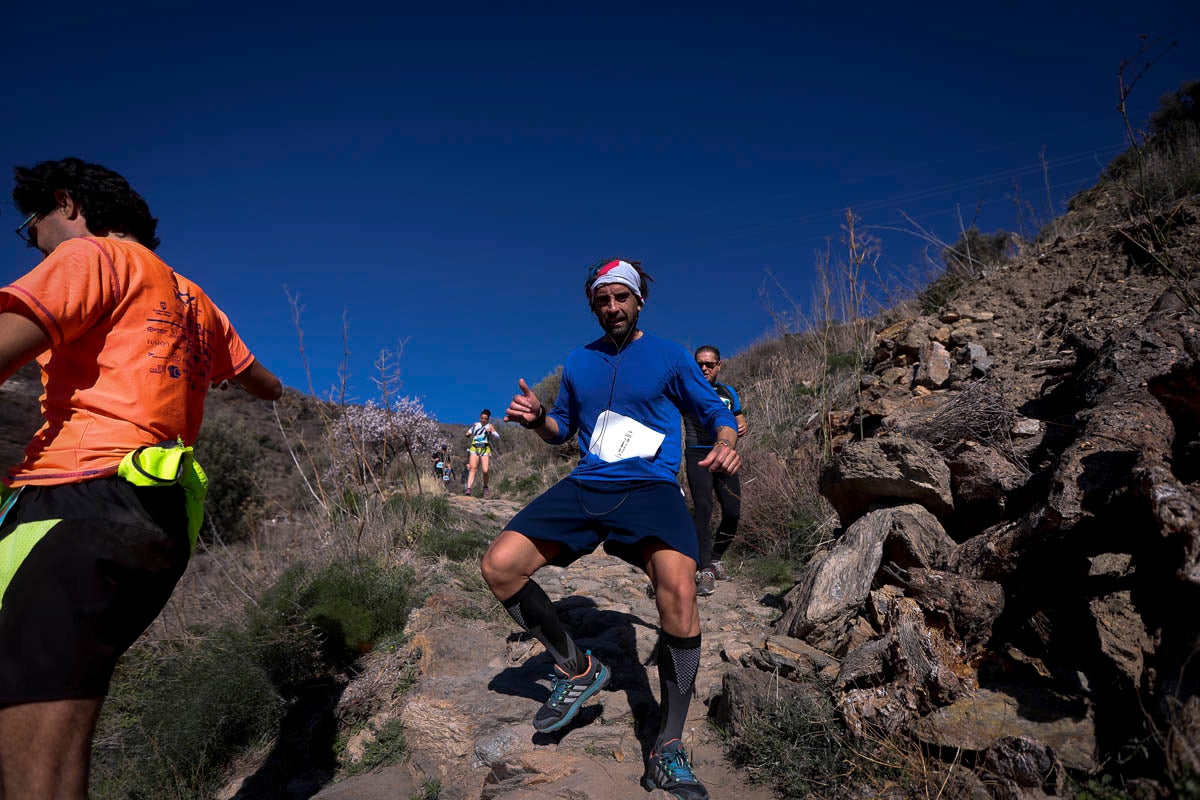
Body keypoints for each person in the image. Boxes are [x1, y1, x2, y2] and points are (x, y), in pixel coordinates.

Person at [0, 157, 282, 798]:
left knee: (33, 756)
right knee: (61, 720)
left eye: (29, 226)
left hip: (76, 499)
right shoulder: (193, 296)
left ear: (66, 204)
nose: (34, 241)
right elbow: (263, 383)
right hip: (159, 516)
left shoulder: (89, 257)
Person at [481, 258, 740, 800]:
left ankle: (667, 746)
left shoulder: (669, 355)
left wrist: (727, 439)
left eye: (622, 297)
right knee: (500, 566)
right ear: (593, 306)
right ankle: (577, 669)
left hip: (650, 489)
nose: (612, 308)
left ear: (639, 300)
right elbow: (562, 429)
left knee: (680, 589)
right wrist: (536, 421)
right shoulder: (579, 361)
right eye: (603, 300)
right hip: (587, 484)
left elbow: (712, 409)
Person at [684, 345, 748, 596]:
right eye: (699, 363)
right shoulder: (686, 389)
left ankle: (716, 557)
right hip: (697, 452)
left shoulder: (729, 392)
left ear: (719, 365)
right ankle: (704, 569)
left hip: (724, 454)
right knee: (704, 508)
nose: (704, 368)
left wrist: (741, 422)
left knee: (733, 510)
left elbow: (739, 416)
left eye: (710, 364)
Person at [464, 409, 499, 498]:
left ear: (488, 419)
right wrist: (467, 434)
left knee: (485, 470)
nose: (483, 420)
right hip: (474, 448)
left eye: (485, 419)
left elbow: (497, 436)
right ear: (480, 418)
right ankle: (468, 488)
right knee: (473, 468)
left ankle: (485, 486)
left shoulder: (490, 426)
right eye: (482, 418)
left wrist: (491, 431)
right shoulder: (475, 425)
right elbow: (468, 433)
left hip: (484, 449)